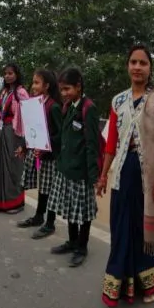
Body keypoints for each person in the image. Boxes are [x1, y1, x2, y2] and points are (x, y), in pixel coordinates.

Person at [96, 44, 154, 307]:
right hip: (123, 173)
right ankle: (122, 283)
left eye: (143, 63)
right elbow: (111, 143)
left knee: (146, 231)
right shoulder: (118, 101)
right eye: (133, 62)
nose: (137, 67)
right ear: (127, 66)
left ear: (150, 68)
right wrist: (103, 175)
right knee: (122, 227)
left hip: (150, 176)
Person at [48, 67, 99, 267]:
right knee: (70, 208)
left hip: (81, 172)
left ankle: (81, 247)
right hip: (65, 168)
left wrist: (93, 176)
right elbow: (63, 137)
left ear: (78, 86)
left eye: (67, 89)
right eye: (61, 89)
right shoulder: (68, 106)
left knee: (83, 212)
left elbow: (92, 144)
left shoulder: (89, 108)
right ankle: (72, 241)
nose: (64, 93)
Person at [17, 69, 62, 239]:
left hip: (50, 157)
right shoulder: (35, 104)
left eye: (37, 82)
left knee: (49, 190)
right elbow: (31, 128)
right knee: (43, 188)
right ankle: (38, 216)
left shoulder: (54, 106)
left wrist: (46, 145)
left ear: (47, 86)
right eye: (33, 82)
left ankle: (50, 223)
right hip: (37, 154)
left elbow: (60, 134)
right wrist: (24, 146)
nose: (33, 86)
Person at [0, 63, 29, 214]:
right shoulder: (5, 92)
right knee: (0, 165)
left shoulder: (21, 93)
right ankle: (0, 202)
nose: (7, 76)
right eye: (5, 73)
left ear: (17, 74)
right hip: (3, 131)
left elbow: (27, 116)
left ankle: (16, 203)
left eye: (10, 73)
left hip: (15, 133)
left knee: (13, 166)